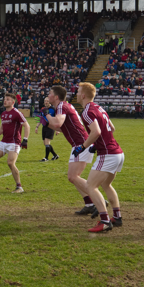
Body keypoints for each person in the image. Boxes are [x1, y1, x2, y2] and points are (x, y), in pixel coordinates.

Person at [75, 82, 124, 233]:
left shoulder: (87, 111)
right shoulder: (99, 108)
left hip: (108, 154)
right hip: (117, 152)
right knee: (106, 185)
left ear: (83, 95)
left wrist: (83, 147)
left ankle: (105, 221)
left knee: (90, 186)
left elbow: (95, 132)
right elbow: (112, 128)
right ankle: (117, 217)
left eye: (78, 91)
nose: (76, 94)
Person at [46, 85, 96, 216]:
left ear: (56, 97)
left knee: (72, 177)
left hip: (82, 144)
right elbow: (60, 128)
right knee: (74, 178)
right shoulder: (63, 106)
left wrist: (45, 114)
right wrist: (44, 121)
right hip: (80, 144)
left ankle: (98, 199)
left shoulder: (62, 106)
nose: (48, 95)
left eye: (50, 93)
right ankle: (90, 204)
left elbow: (57, 124)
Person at [0, 93, 29, 193]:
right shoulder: (3, 114)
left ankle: (19, 187)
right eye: (4, 99)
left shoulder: (17, 113)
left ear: (13, 102)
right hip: (4, 141)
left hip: (14, 142)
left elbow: (27, 126)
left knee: (10, 163)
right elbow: (2, 128)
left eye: (7, 99)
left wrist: (25, 140)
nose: (5, 101)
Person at [34, 97, 60, 162]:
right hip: (44, 127)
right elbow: (39, 118)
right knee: (45, 143)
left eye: (47, 101)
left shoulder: (53, 109)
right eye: (45, 101)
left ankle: (46, 158)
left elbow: (57, 119)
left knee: (47, 142)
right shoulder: (43, 109)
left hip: (51, 127)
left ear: (50, 102)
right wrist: (37, 127)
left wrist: (57, 129)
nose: (46, 102)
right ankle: (55, 155)